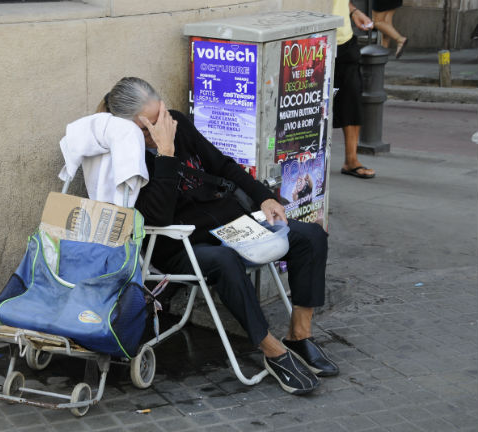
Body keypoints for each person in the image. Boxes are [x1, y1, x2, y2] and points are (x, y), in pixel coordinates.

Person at [99, 77, 339, 395]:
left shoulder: (177, 124)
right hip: (179, 243)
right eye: (147, 129)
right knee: (224, 261)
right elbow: (156, 217)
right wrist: (166, 155)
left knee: (310, 236)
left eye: (161, 121)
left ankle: (299, 336)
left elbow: (222, 165)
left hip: (230, 224)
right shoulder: (123, 155)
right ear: (124, 127)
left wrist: (263, 196)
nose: (159, 132)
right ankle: (272, 351)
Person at [333, 0, 376, 179]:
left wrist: (353, 11)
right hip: (315, 41)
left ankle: (351, 160)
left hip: (345, 40)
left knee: (352, 97)